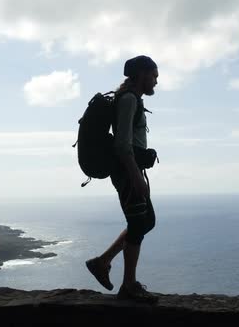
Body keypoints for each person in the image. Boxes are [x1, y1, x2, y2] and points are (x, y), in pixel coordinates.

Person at [85, 55, 159, 304]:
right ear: (141, 75)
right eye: (153, 76)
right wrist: (135, 176)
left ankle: (102, 262)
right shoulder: (128, 100)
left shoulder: (131, 99)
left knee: (145, 221)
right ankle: (128, 285)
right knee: (140, 223)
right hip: (127, 170)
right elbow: (122, 145)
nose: (156, 82)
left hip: (130, 169)